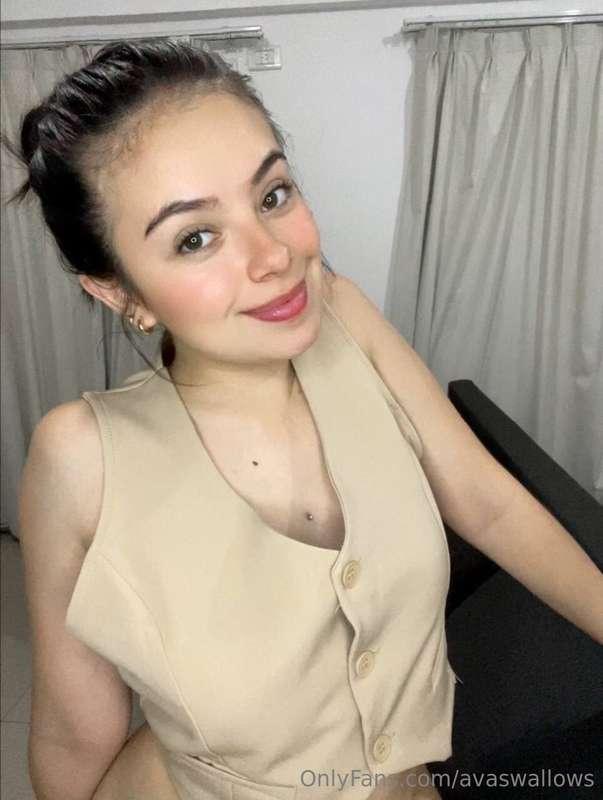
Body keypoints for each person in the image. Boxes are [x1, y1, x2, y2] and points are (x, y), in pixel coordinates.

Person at [7, 40, 602, 800]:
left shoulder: (345, 318)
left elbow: (486, 503)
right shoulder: (82, 456)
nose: (272, 256)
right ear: (121, 292)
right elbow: (72, 735)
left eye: (272, 195)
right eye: (195, 238)